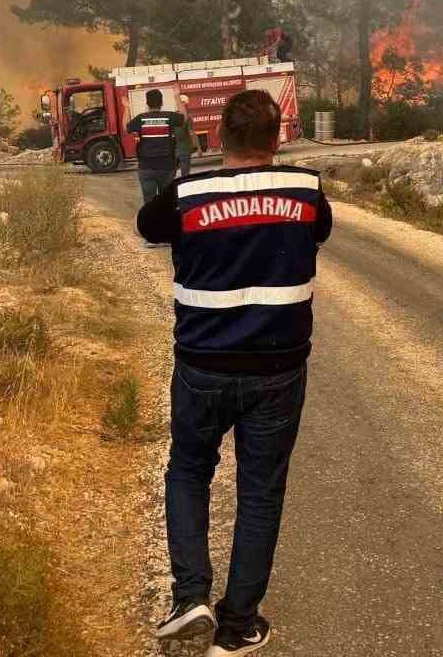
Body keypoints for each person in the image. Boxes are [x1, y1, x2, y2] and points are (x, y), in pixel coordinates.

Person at [137, 89, 331, 657]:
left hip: (202, 366)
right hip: (278, 370)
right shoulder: (306, 189)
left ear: (218, 135)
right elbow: (317, 234)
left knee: (190, 471)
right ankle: (238, 624)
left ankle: (189, 594)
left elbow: (149, 227)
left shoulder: (184, 195)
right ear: (276, 140)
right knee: (260, 492)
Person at [128, 89, 188, 209]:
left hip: (146, 167)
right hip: (167, 167)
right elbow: (184, 118)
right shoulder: (169, 117)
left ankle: (152, 226)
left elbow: (127, 127)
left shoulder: (141, 118)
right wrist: (177, 97)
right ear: (161, 102)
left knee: (149, 204)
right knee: (166, 203)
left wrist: (126, 107)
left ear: (147, 103)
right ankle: (166, 226)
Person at [177, 94, 199, 178]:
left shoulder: (173, 116)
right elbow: (191, 133)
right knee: (185, 174)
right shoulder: (188, 118)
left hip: (174, 151)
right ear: (186, 104)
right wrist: (198, 147)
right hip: (184, 150)